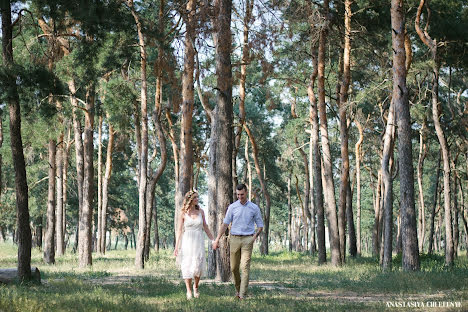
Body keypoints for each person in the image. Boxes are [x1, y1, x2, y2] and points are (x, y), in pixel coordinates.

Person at [212, 183, 264, 300]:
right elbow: (225, 224)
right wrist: (217, 239)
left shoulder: (254, 208)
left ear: (246, 193)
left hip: (247, 239)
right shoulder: (232, 207)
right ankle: (238, 289)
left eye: (242, 194)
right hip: (234, 238)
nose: (240, 197)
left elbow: (260, 225)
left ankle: (242, 295)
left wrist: (254, 236)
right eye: (238, 194)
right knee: (234, 268)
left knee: (245, 267)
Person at [174, 190, 214, 300]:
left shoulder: (201, 212)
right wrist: (176, 247)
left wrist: (213, 240)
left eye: (197, 197)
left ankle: (196, 286)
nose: (197, 199)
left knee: (198, 264)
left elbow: (205, 227)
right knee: (187, 264)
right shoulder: (183, 213)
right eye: (195, 197)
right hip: (187, 241)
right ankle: (189, 291)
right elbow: (179, 230)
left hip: (198, 240)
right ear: (190, 199)